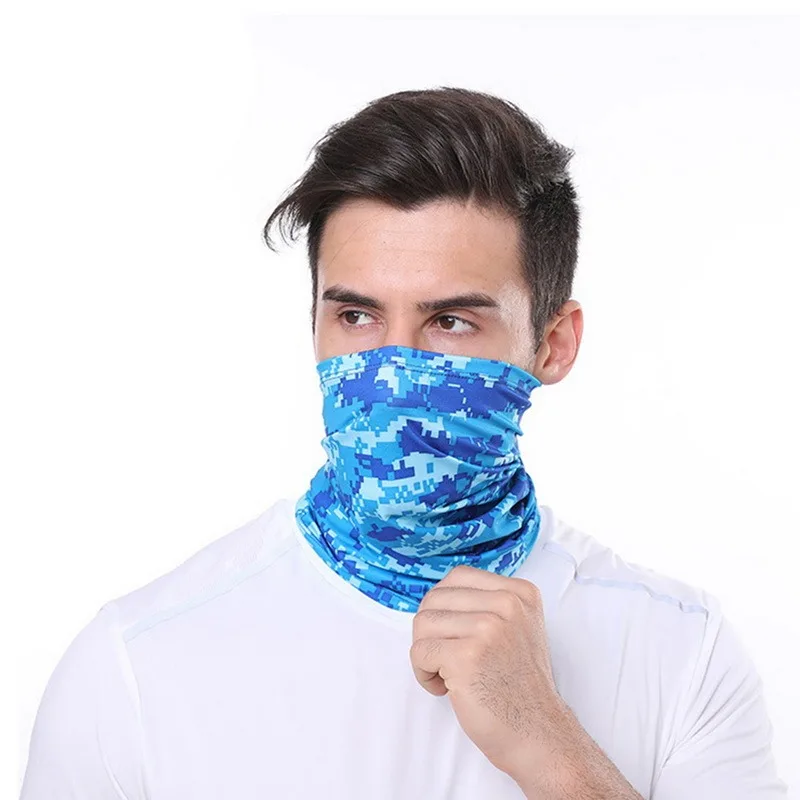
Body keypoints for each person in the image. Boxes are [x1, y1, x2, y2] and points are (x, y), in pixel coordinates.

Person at [20, 87, 787, 800]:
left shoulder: (683, 654)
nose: (391, 369)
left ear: (553, 344)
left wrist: (551, 749)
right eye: (357, 317)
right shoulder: (135, 666)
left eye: (451, 321)